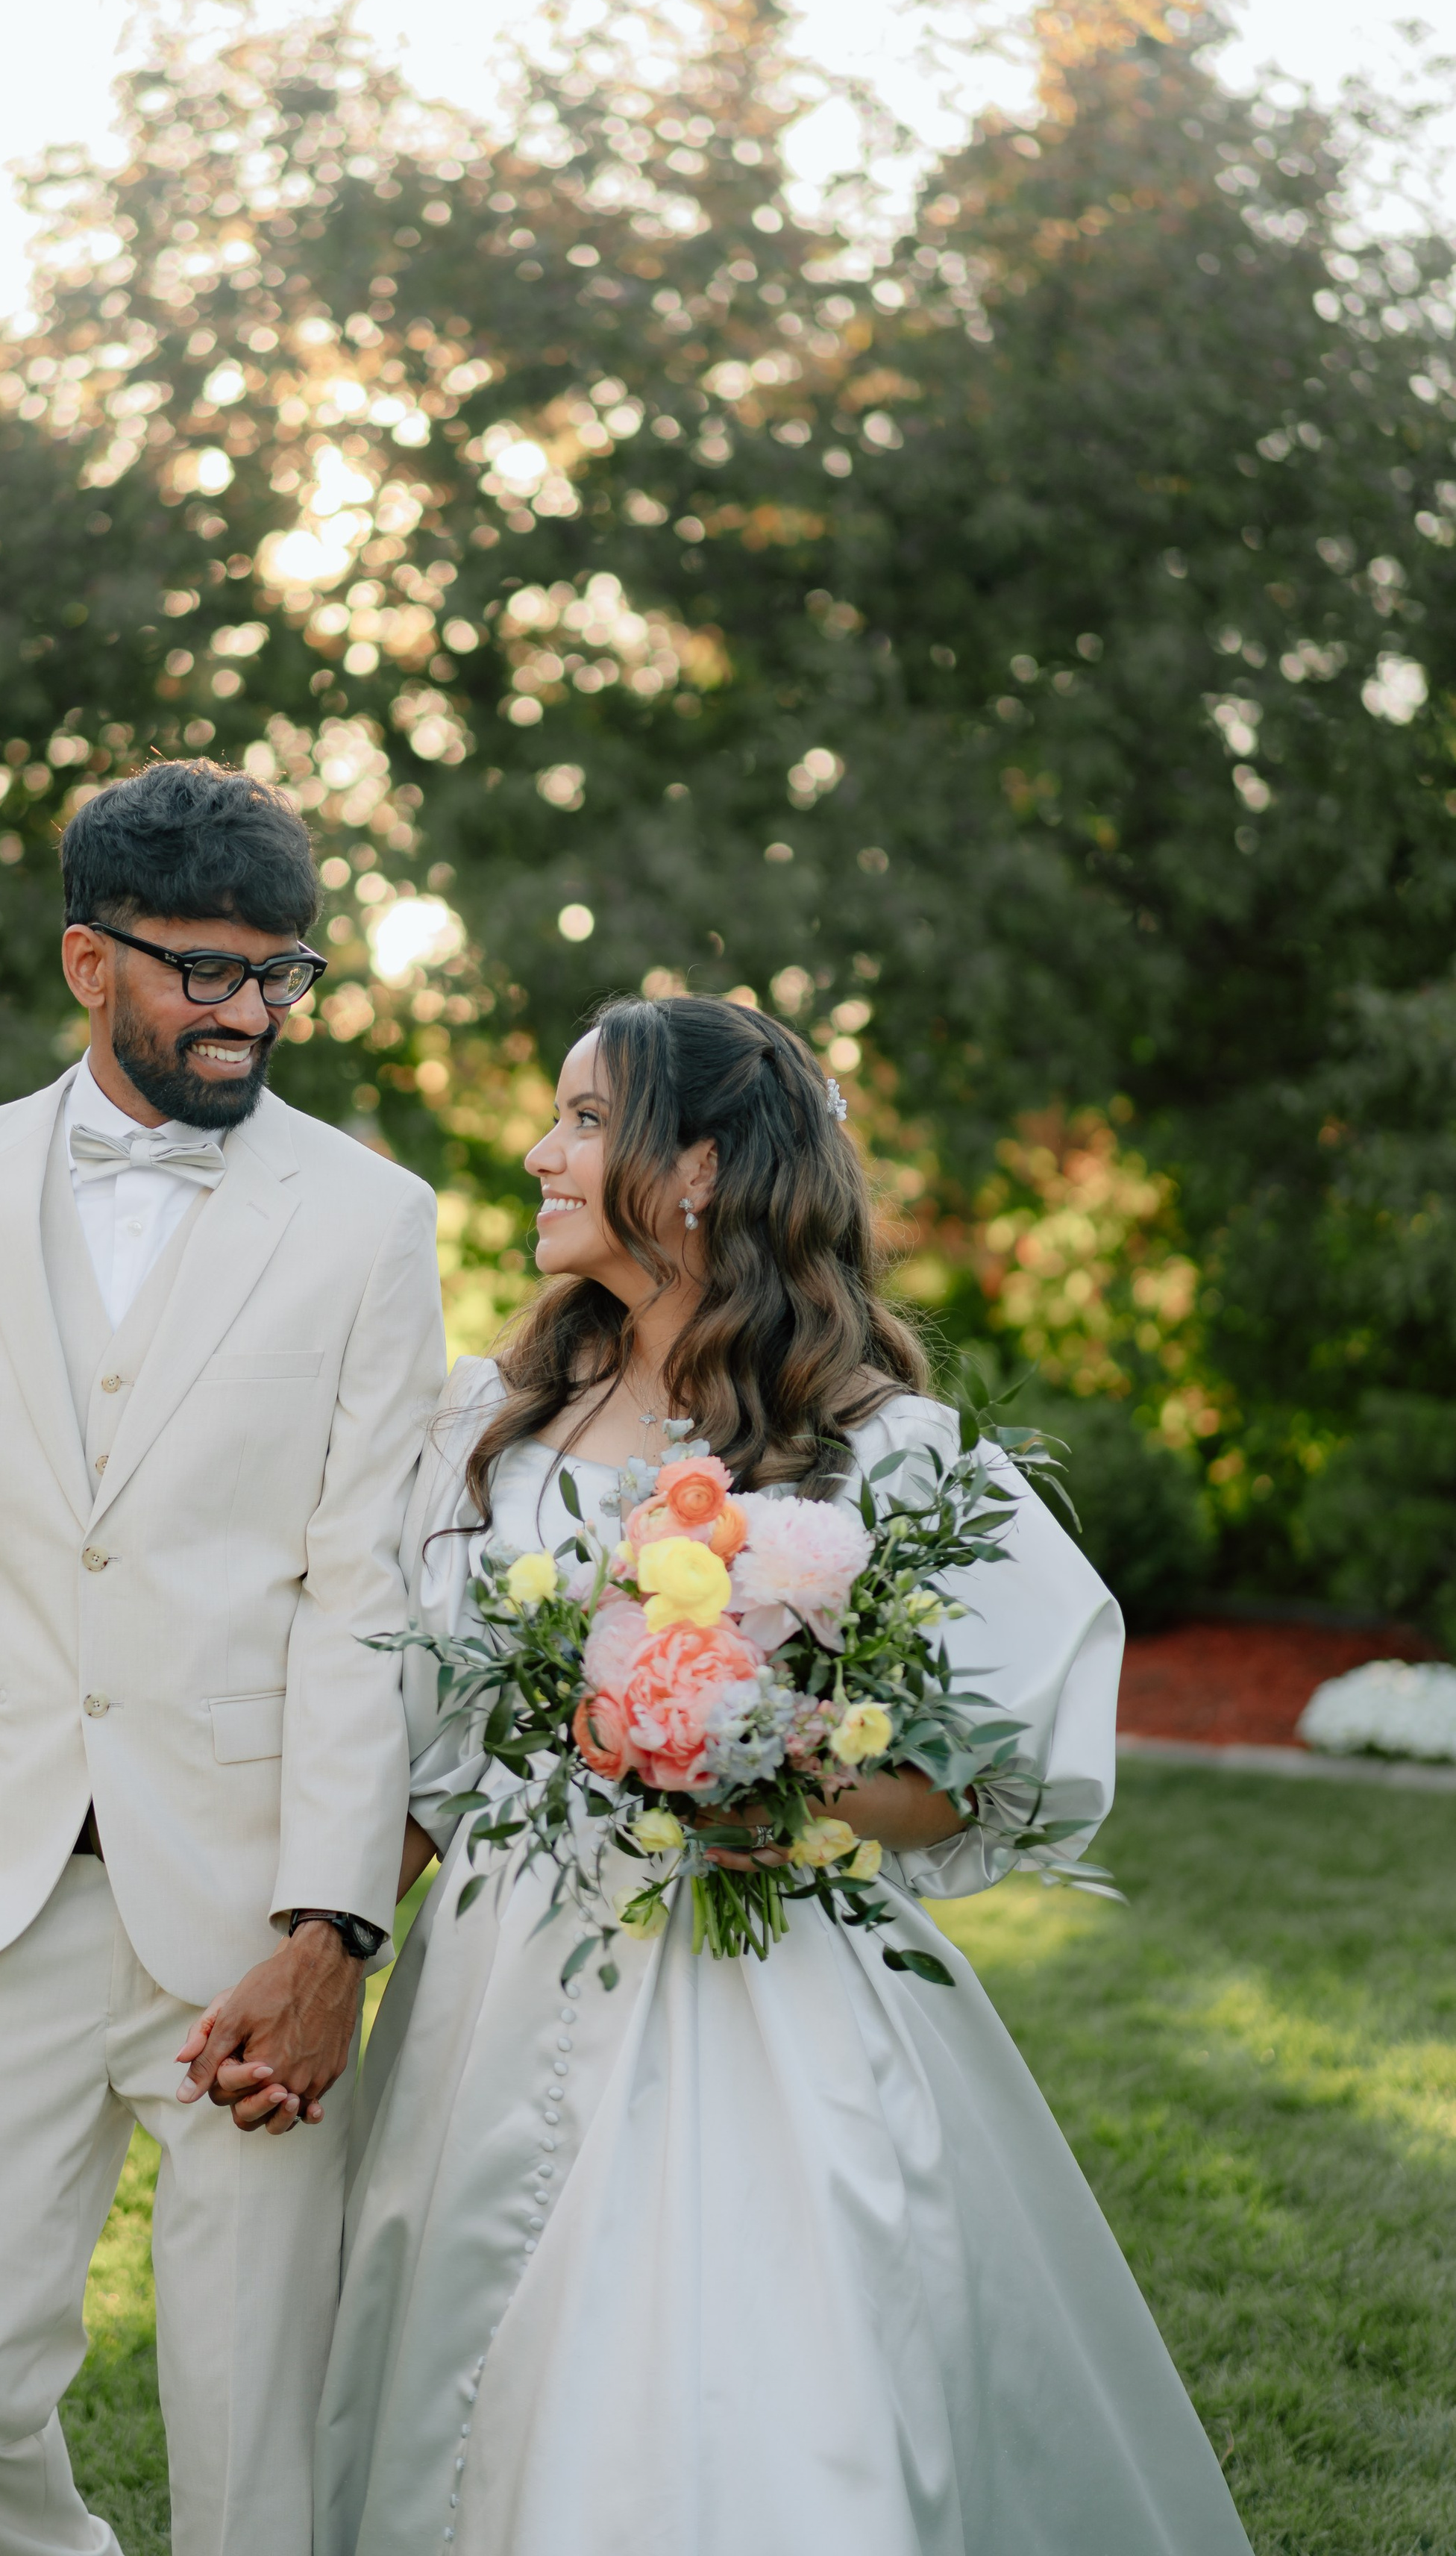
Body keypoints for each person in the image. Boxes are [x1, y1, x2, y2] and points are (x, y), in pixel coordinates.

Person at [313, 993, 1252, 2556]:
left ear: (692, 1171)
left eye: (582, 1121)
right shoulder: (491, 1426)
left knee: (739, 2387)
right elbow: (420, 1735)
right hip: (491, 1989)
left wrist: (780, 1776)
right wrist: (322, 1944)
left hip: (757, 1994)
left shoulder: (884, 1452)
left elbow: (976, 1768)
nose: (539, 1153)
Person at [0, 759, 444, 2556]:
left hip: (246, 1915)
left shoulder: (367, 1219)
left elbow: (363, 1598)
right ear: (88, 960)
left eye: (279, 974)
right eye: (203, 972)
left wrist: (330, 1926)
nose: (247, 1013)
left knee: (253, 2436)